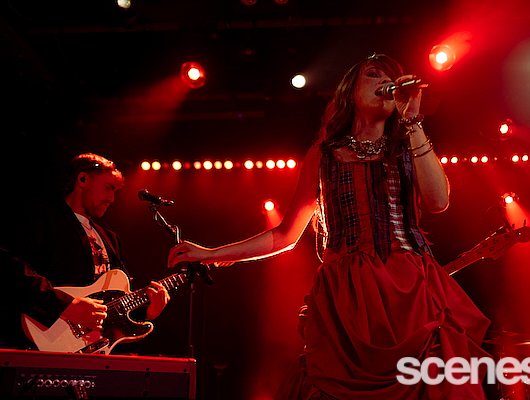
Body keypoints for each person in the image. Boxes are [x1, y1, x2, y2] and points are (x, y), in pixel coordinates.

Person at [168, 54, 491, 399]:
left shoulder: (407, 145)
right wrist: (213, 253)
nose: (385, 82)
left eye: (390, 77)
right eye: (373, 74)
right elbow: (285, 235)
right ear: (349, 91)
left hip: (410, 292)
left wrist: (412, 120)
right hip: (346, 297)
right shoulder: (323, 155)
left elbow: (438, 201)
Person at [13, 153, 170, 348]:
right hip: (38, 338)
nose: (112, 199)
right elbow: (11, 268)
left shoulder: (110, 238)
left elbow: (115, 301)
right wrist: (64, 305)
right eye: (108, 187)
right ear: (83, 179)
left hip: (89, 346)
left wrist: (147, 311)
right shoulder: (41, 220)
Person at [0, 247, 107, 349]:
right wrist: (61, 303)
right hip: (22, 331)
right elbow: (8, 265)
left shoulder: (109, 239)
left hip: (90, 338)